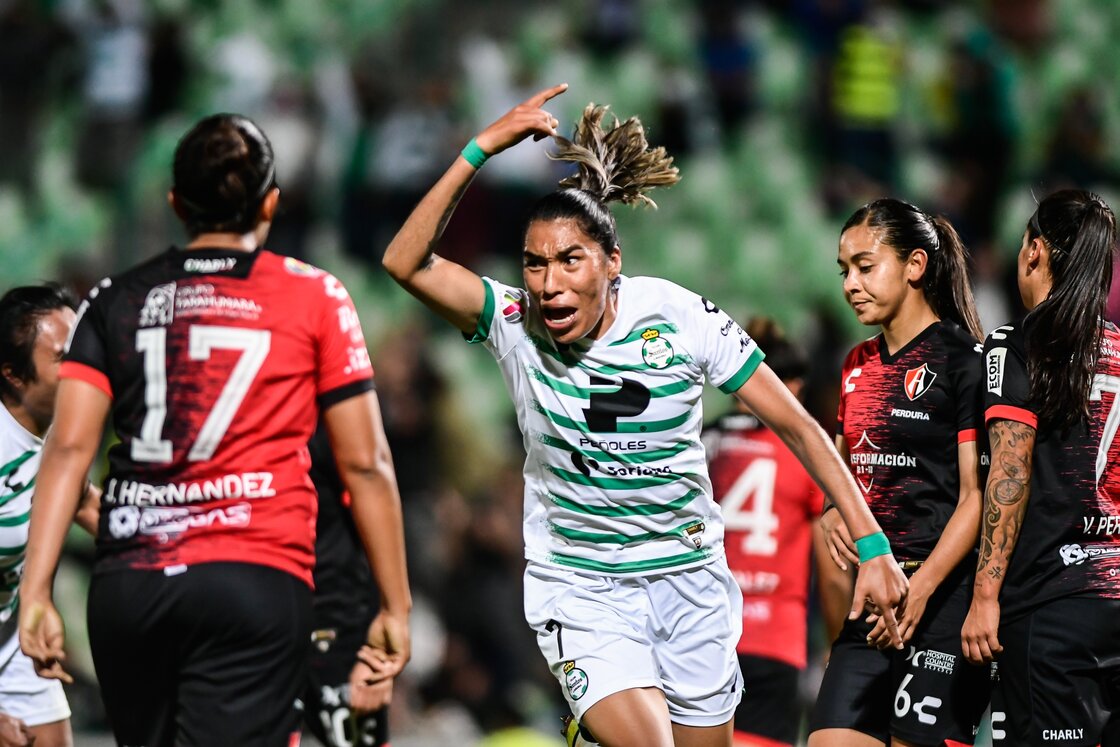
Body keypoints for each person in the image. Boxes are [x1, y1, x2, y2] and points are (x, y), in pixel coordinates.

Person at [382, 83, 907, 747]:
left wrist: (872, 542)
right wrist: (480, 149)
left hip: (689, 584)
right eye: (534, 263)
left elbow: (799, 426)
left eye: (570, 260)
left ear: (613, 265)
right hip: (583, 586)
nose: (548, 282)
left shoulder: (680, 318)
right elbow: (404, 260)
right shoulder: (512, 320)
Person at [17, 114, 411, 747]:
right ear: (272, 203)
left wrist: (37, 590)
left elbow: (67, 448)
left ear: (175, 203)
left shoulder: (114, 297)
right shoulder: (316, 296)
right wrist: (395, 606)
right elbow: (366, 464)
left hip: (130, 584)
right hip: (251, 579)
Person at [808, 198, 991, 747]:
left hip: (941, 605)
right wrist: (832, 512)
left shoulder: (964, 361)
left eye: (865, 266)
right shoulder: (854, 363)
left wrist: (921, 588)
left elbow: (976, 498)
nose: (850, 284)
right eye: (844, 271)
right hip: (872, 605)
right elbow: (840, 482)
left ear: (915, 266)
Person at [961, 189, 1120, 746]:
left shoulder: (1021, 343)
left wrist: (984, 597)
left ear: (1034, 252)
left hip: (1052, 608)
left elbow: (1011, 468)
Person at [703, 317, 852, 747]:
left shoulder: (702, 443)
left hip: (707, 633)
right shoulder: (805, 455)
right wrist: (839, 641)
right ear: (795, 387)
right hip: (774, 641)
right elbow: (831, 568)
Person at [0, 284, 99, 747]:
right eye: (64, 357)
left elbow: (98, 513)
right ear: (14, 376)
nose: (83, 367)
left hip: (12, 637)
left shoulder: (61, 438)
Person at [304, 422, 391, 747]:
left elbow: (368, 475)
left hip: (329, 606)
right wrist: (394, 609)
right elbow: (368, 473)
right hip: (330, 602)